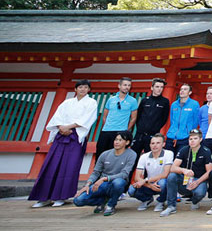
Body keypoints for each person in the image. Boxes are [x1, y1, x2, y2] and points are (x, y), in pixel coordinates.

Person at [29, 79, 98, 208]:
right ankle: (43, 198)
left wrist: (69, 127)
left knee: (70, 166)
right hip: (61, 134)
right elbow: (57, 117)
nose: (83, 89)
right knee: (51, 165)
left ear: (89, 90)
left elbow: (87, 119)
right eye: (80, 87)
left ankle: (61, 197)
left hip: (76, 135)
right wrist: (61, 127)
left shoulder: (91, 103)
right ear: (75, 89)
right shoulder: (67, 103)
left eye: (85, 87)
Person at [73, 130, 137, 216]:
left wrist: (105, 178)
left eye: (120, 140)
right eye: (116, 139)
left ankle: (111, 205)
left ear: (127, 142)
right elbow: (96, 172)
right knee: (77, 200)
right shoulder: (105, 154)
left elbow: (124, 174)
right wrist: (87, 184)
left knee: (118, 182)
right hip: (102, 184)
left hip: (116, 182)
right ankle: (102, 201)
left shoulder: (132, 154)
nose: (116, 142)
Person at [160, 129, 212, 217]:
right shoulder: (184, 150)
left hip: (199, 179)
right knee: (172, 176)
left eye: (195, 139)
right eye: (190, 139)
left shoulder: (206, 151)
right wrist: (183, 170)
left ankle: (195, 201)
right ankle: (171, 206)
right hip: (185, 179)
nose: (192, 141)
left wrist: (197, 182)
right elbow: (172, 168)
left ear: (200, 139)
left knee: (200, 193)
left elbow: (209, 171)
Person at [127, 133, 173, 212]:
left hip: (160, 182)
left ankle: (161, 201)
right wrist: (149, 185)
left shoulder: (169, 153)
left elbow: (165, 174)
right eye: (152, 143)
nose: (155, 145)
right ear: (150, 145)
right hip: (149, 183)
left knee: (163, 183)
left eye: (158, 143)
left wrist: (145, 180)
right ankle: (147, 199)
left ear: (163, 144)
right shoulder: (144, 156)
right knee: (131, 190)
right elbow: (137, 177)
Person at [95, 77, 138, 160]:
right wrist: (106, 126)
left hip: (120, 132)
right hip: (106, 131)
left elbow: (133, 118)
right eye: (125, 85)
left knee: (115, 157)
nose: (127, 87)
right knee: (100, 155)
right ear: (119, 86)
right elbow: (105, 115)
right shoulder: (111, 99)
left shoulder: (133, 101)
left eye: (129, 85)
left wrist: (126, 130)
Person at [132, 78, 170, 157]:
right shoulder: (145, 100)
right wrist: (140, 127)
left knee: (150, 157)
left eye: (161, 87)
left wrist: (155, 128)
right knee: (133, 156)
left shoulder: (165, 102)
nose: (159, 89)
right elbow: (138, 115)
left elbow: (164, 118)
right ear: (152, 87)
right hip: (140, 134)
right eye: (157, 87)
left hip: (153, 135)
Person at [165, 83, 200, 153]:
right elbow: (172, 120)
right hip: (171, 136)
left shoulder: (194, 104)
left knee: (180, 158)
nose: (182, 91)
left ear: (190, 92)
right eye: (181, 89)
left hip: (185, 137)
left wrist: (189, 133)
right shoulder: (174, 104)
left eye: (185, 89)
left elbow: (195, 121)